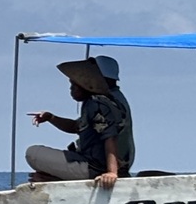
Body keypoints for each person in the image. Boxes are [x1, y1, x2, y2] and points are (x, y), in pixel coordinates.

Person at [26, 58, 133, 188]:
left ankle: (58, 180)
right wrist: (51, 118)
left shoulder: (98, 103)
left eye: (74, 84)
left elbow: (110, 136)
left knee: (33, 153)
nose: (71, 89)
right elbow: (76, 127)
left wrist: (111, 172)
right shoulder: (111, 100)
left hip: (95, 166)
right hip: (107, 164)